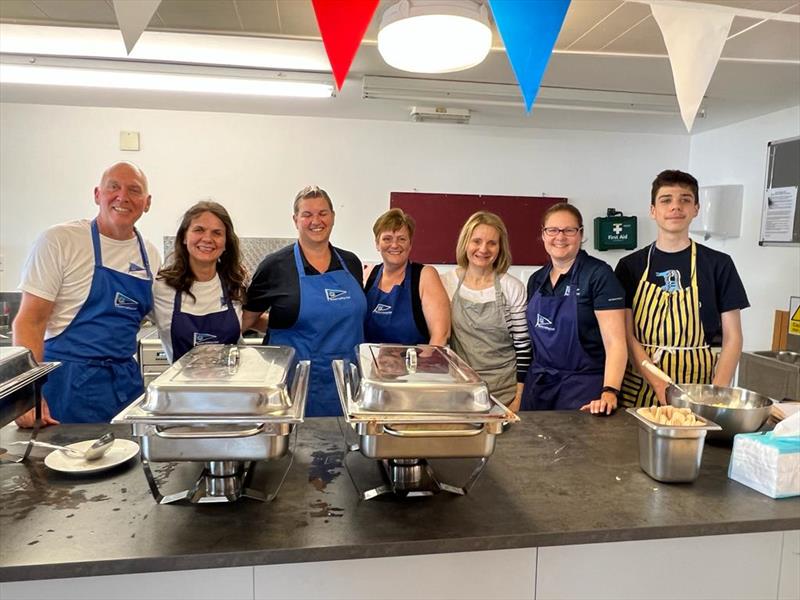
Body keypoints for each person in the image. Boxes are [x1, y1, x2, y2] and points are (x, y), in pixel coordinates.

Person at [13, 162, 160, 425]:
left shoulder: (149, 254)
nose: (122, 197)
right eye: (113, 187)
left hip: (124, 384)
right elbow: (29, 321)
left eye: (134, 190)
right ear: (97, 194)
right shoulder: (60, 240)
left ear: (147, 202)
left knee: (130, 462)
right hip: (67, 383)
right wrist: (25, 395)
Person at [615, 170, 749, 407]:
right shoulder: (630, 266)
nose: (675, 207)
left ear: (696, 208)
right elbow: (626, 334)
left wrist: (715, 394)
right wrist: (657, 383)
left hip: (697, 391)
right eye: (666, 200)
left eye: (685, 200)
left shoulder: (718, 264)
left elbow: (733, 338)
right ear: (653, 210)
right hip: (639, 388)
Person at [241, 186, 366, 417]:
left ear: (333, 217)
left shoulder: (351, 263)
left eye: (323, 213)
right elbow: (245, 321)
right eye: (307, 214)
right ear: (295, 219)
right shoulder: (275, 266)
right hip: (293, 385)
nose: (315, 220)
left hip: (345, 384)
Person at [520, 203, 627, 415]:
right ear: (543, 234)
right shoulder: (536, 280)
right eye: (552, 230)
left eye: (569, 230)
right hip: (540, 388)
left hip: (584, 389)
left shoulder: (599, 275)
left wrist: (609, 391)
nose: (560, 237)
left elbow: (615, 341)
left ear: (581, 234)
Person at [442, 212, 531, 411]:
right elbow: (441, 341)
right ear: (465, 242)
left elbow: (524, 348)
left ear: (500, 248)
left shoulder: (512, 288)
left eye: (492, 243)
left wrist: (518, 398)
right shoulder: (446, 283)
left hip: (505, 393)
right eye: (477, 241)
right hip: (460, 391)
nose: (483, 249)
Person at [151, 201, 247, 363]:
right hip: (181, 388)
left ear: (226, 244)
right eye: (198, 230)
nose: (207, 239)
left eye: (217, 233)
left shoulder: (235, 284)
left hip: (230, 387)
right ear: (184, 237)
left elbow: (251, 321)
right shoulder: (160, 287)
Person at [364, 208, 450, 345]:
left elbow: (440, 336)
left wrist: (423, 365)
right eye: (387, 239)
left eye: (402, 239)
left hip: (415, 364)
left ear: (410, 244)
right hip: (373, 364)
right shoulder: (368, 276)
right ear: (377, 244)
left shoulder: (425, 276)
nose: (394, 245)